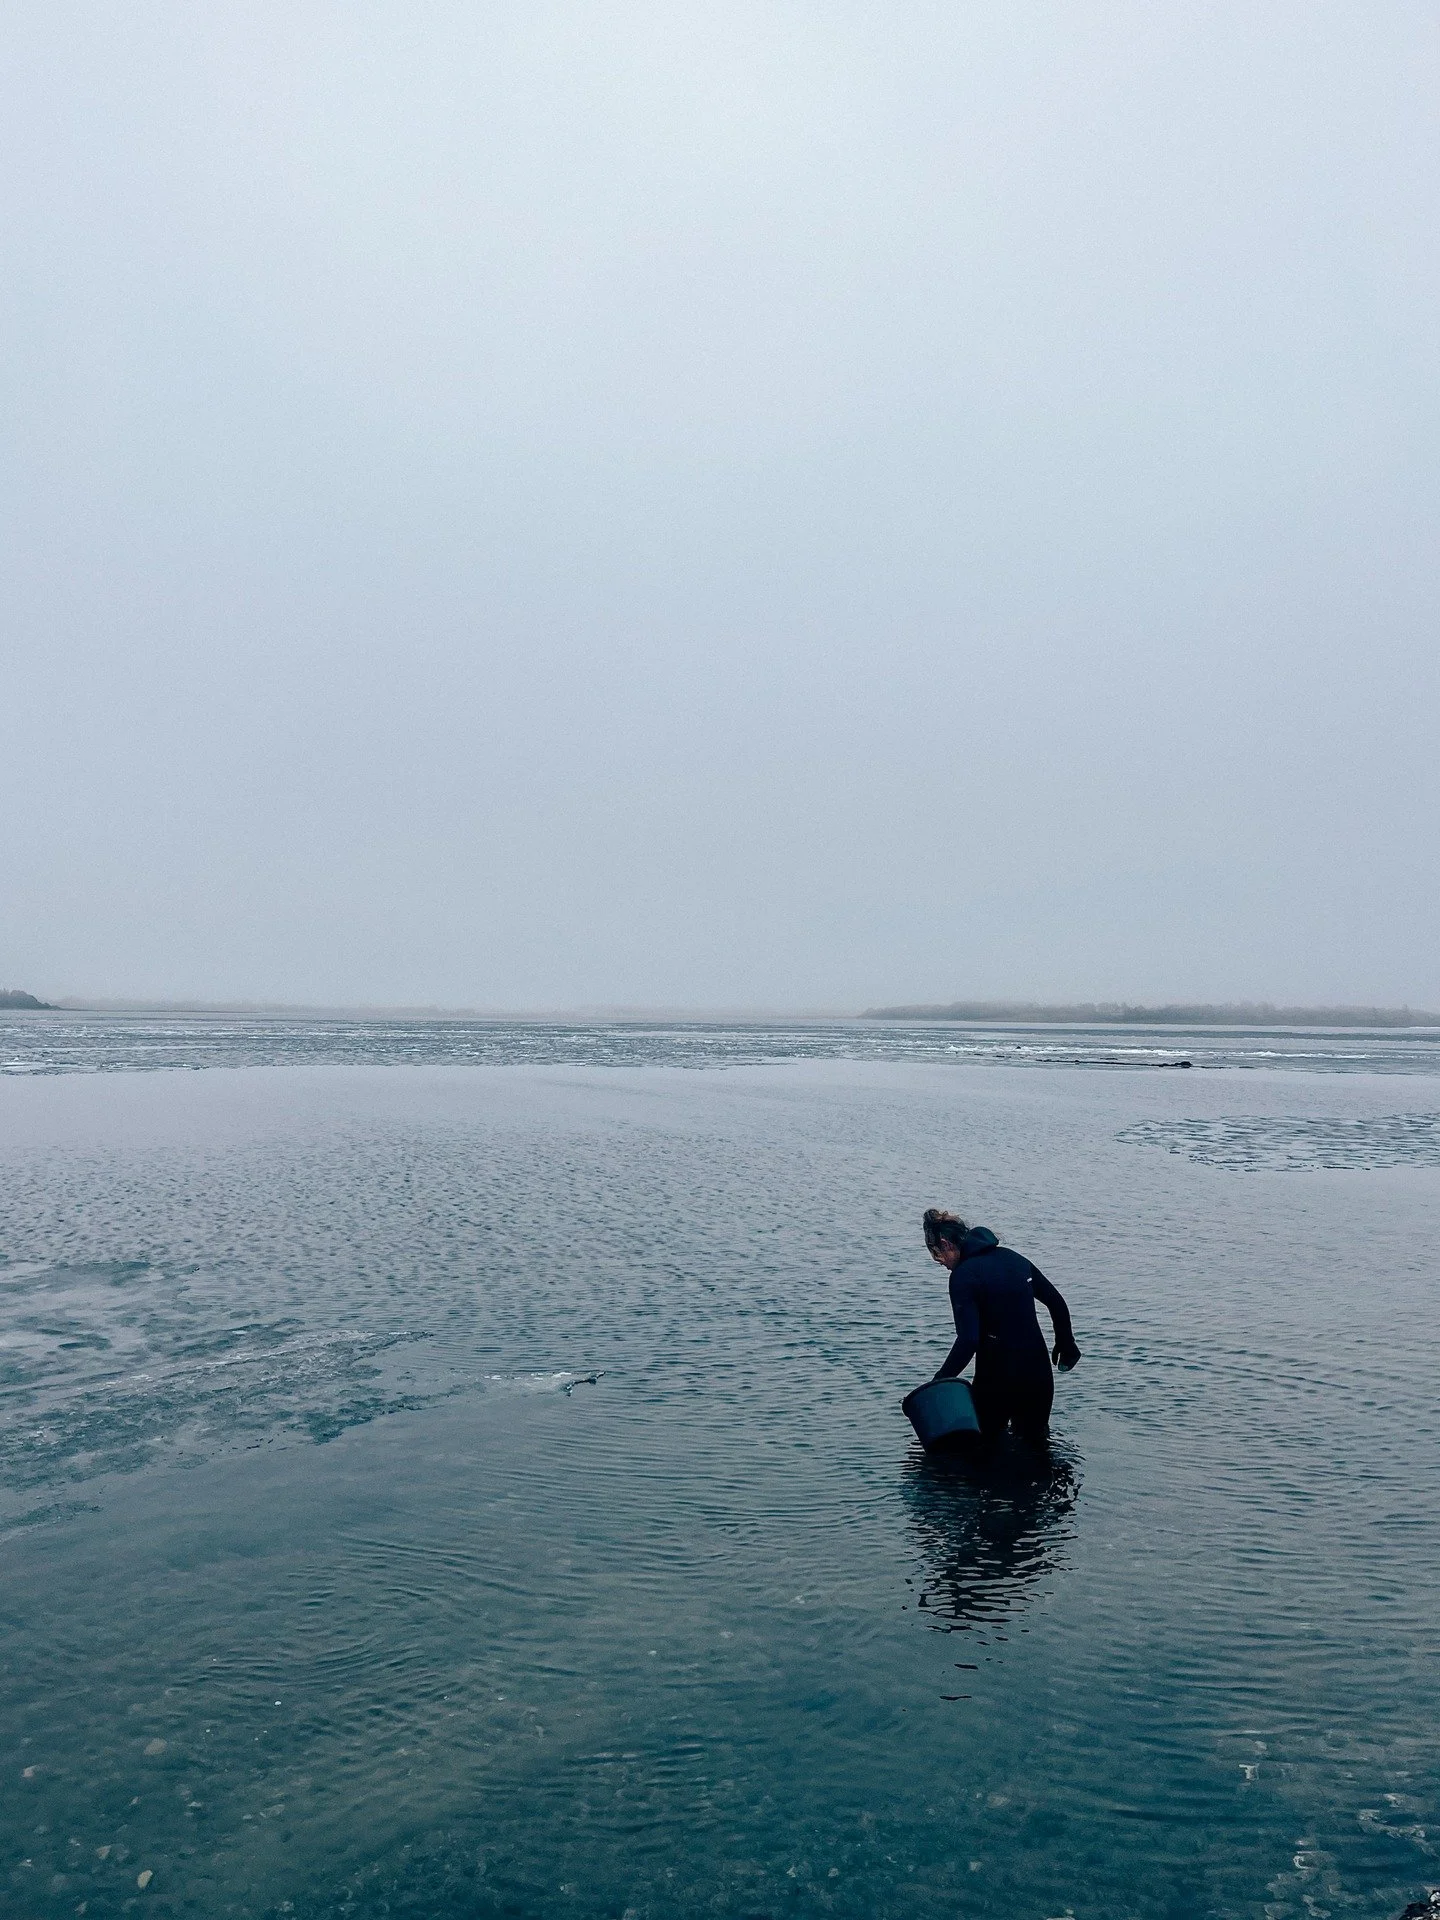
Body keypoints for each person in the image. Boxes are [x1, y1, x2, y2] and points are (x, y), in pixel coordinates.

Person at [924, 1208, 1080, 1442]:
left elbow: (968, 1340)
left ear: (945, 1244)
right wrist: (1066, 1343)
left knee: (988, 1454)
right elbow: (1056, 1303)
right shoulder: (1013, 1258)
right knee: (1037, 1450)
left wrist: (938, 1383)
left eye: (938, 1257)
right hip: (1038, 1375)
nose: (943, 1264)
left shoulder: (963, 1276)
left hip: (998, 1380)